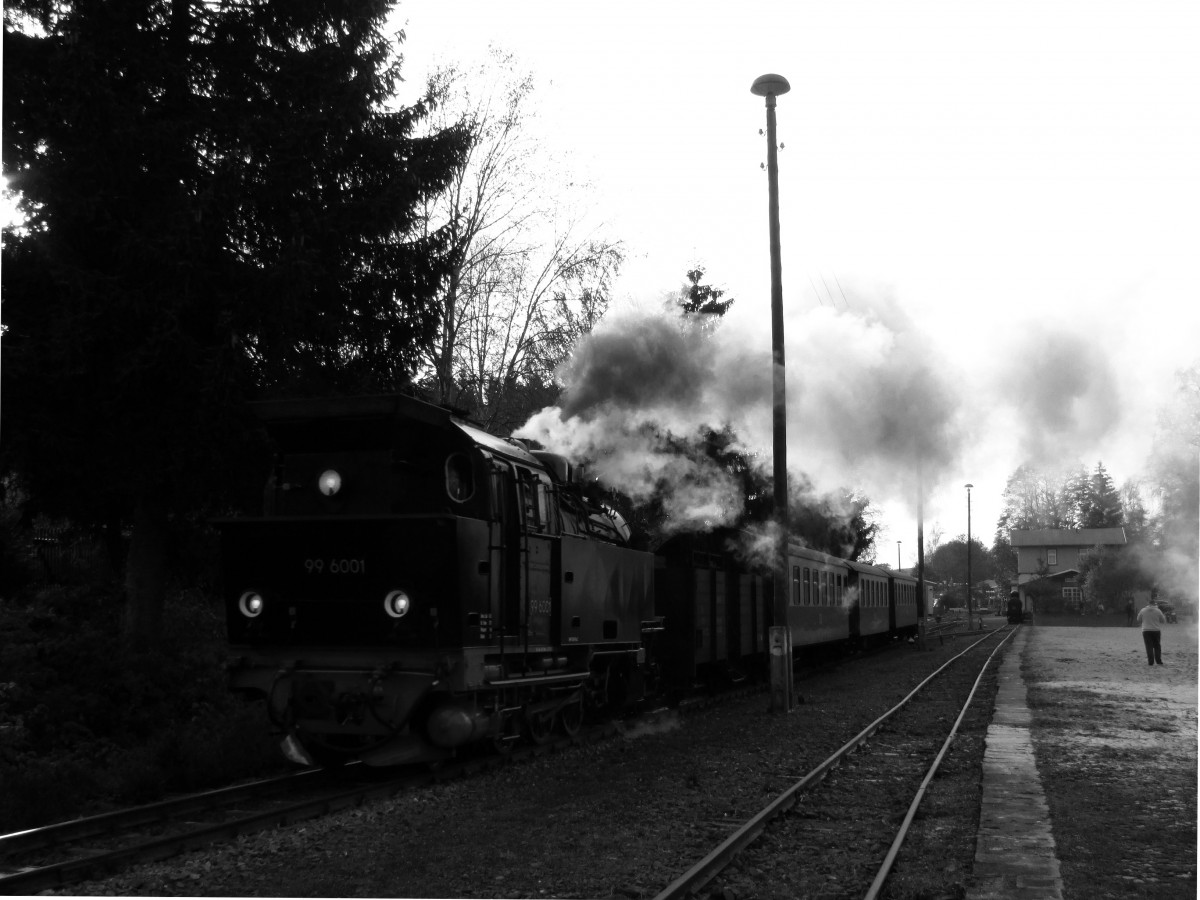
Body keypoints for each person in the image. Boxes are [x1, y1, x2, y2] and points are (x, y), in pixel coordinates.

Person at [1136, 598, 1166, 665]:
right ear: (1154, 604)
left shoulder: (1143, 610)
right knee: (1157, 646)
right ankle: (1158, 661)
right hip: (1156, 630)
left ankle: (1150, 661)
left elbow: (1138, 619)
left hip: (1146, 630)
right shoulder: (1158, 611)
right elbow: (1163, 620)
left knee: (1148, 646)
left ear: (1148, 604)